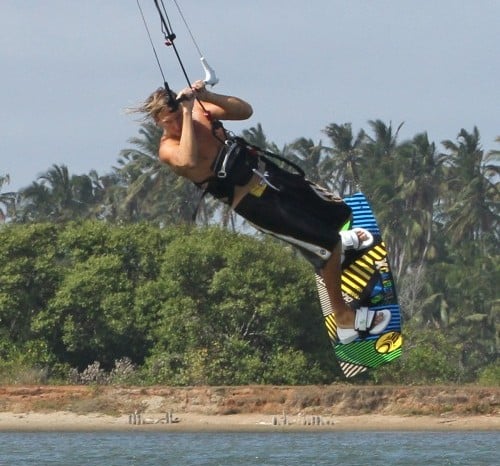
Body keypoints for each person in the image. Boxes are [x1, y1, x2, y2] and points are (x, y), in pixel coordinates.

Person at [136, 81, 390, 343]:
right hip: (257, 204)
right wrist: (187, 115)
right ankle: (344, 319)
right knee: (327, 245)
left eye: (178, 115)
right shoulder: (168, 148)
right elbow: (188, 159)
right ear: (158, 121)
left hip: (271, 176)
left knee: (339, 214)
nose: (177, 122)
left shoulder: (200, 110)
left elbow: (245, 111)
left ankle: (340, 254)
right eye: (171, 120)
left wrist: (208, 96)